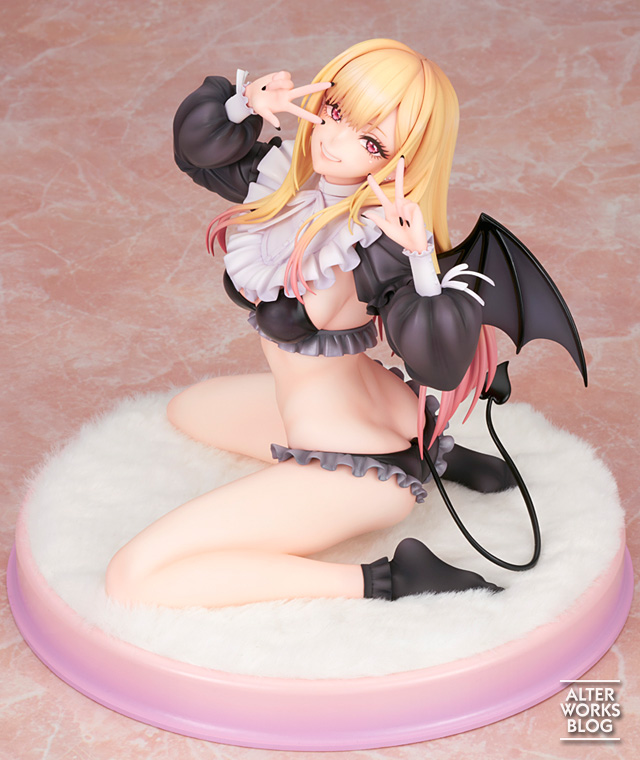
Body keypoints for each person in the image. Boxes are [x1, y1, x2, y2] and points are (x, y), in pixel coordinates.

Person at [106, 39, 512, 608]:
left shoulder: (380, 242)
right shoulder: (288, 186)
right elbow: (197, 154)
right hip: (346, 410)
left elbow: (439, 361)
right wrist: (243, 105)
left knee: (131, 577)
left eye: (370, 142)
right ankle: (435, 449)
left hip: (361, 469)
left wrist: (422, 258)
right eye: (337, 111)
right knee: (186, 409)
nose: (334, 140)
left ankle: (395, 577)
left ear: (402, 161)